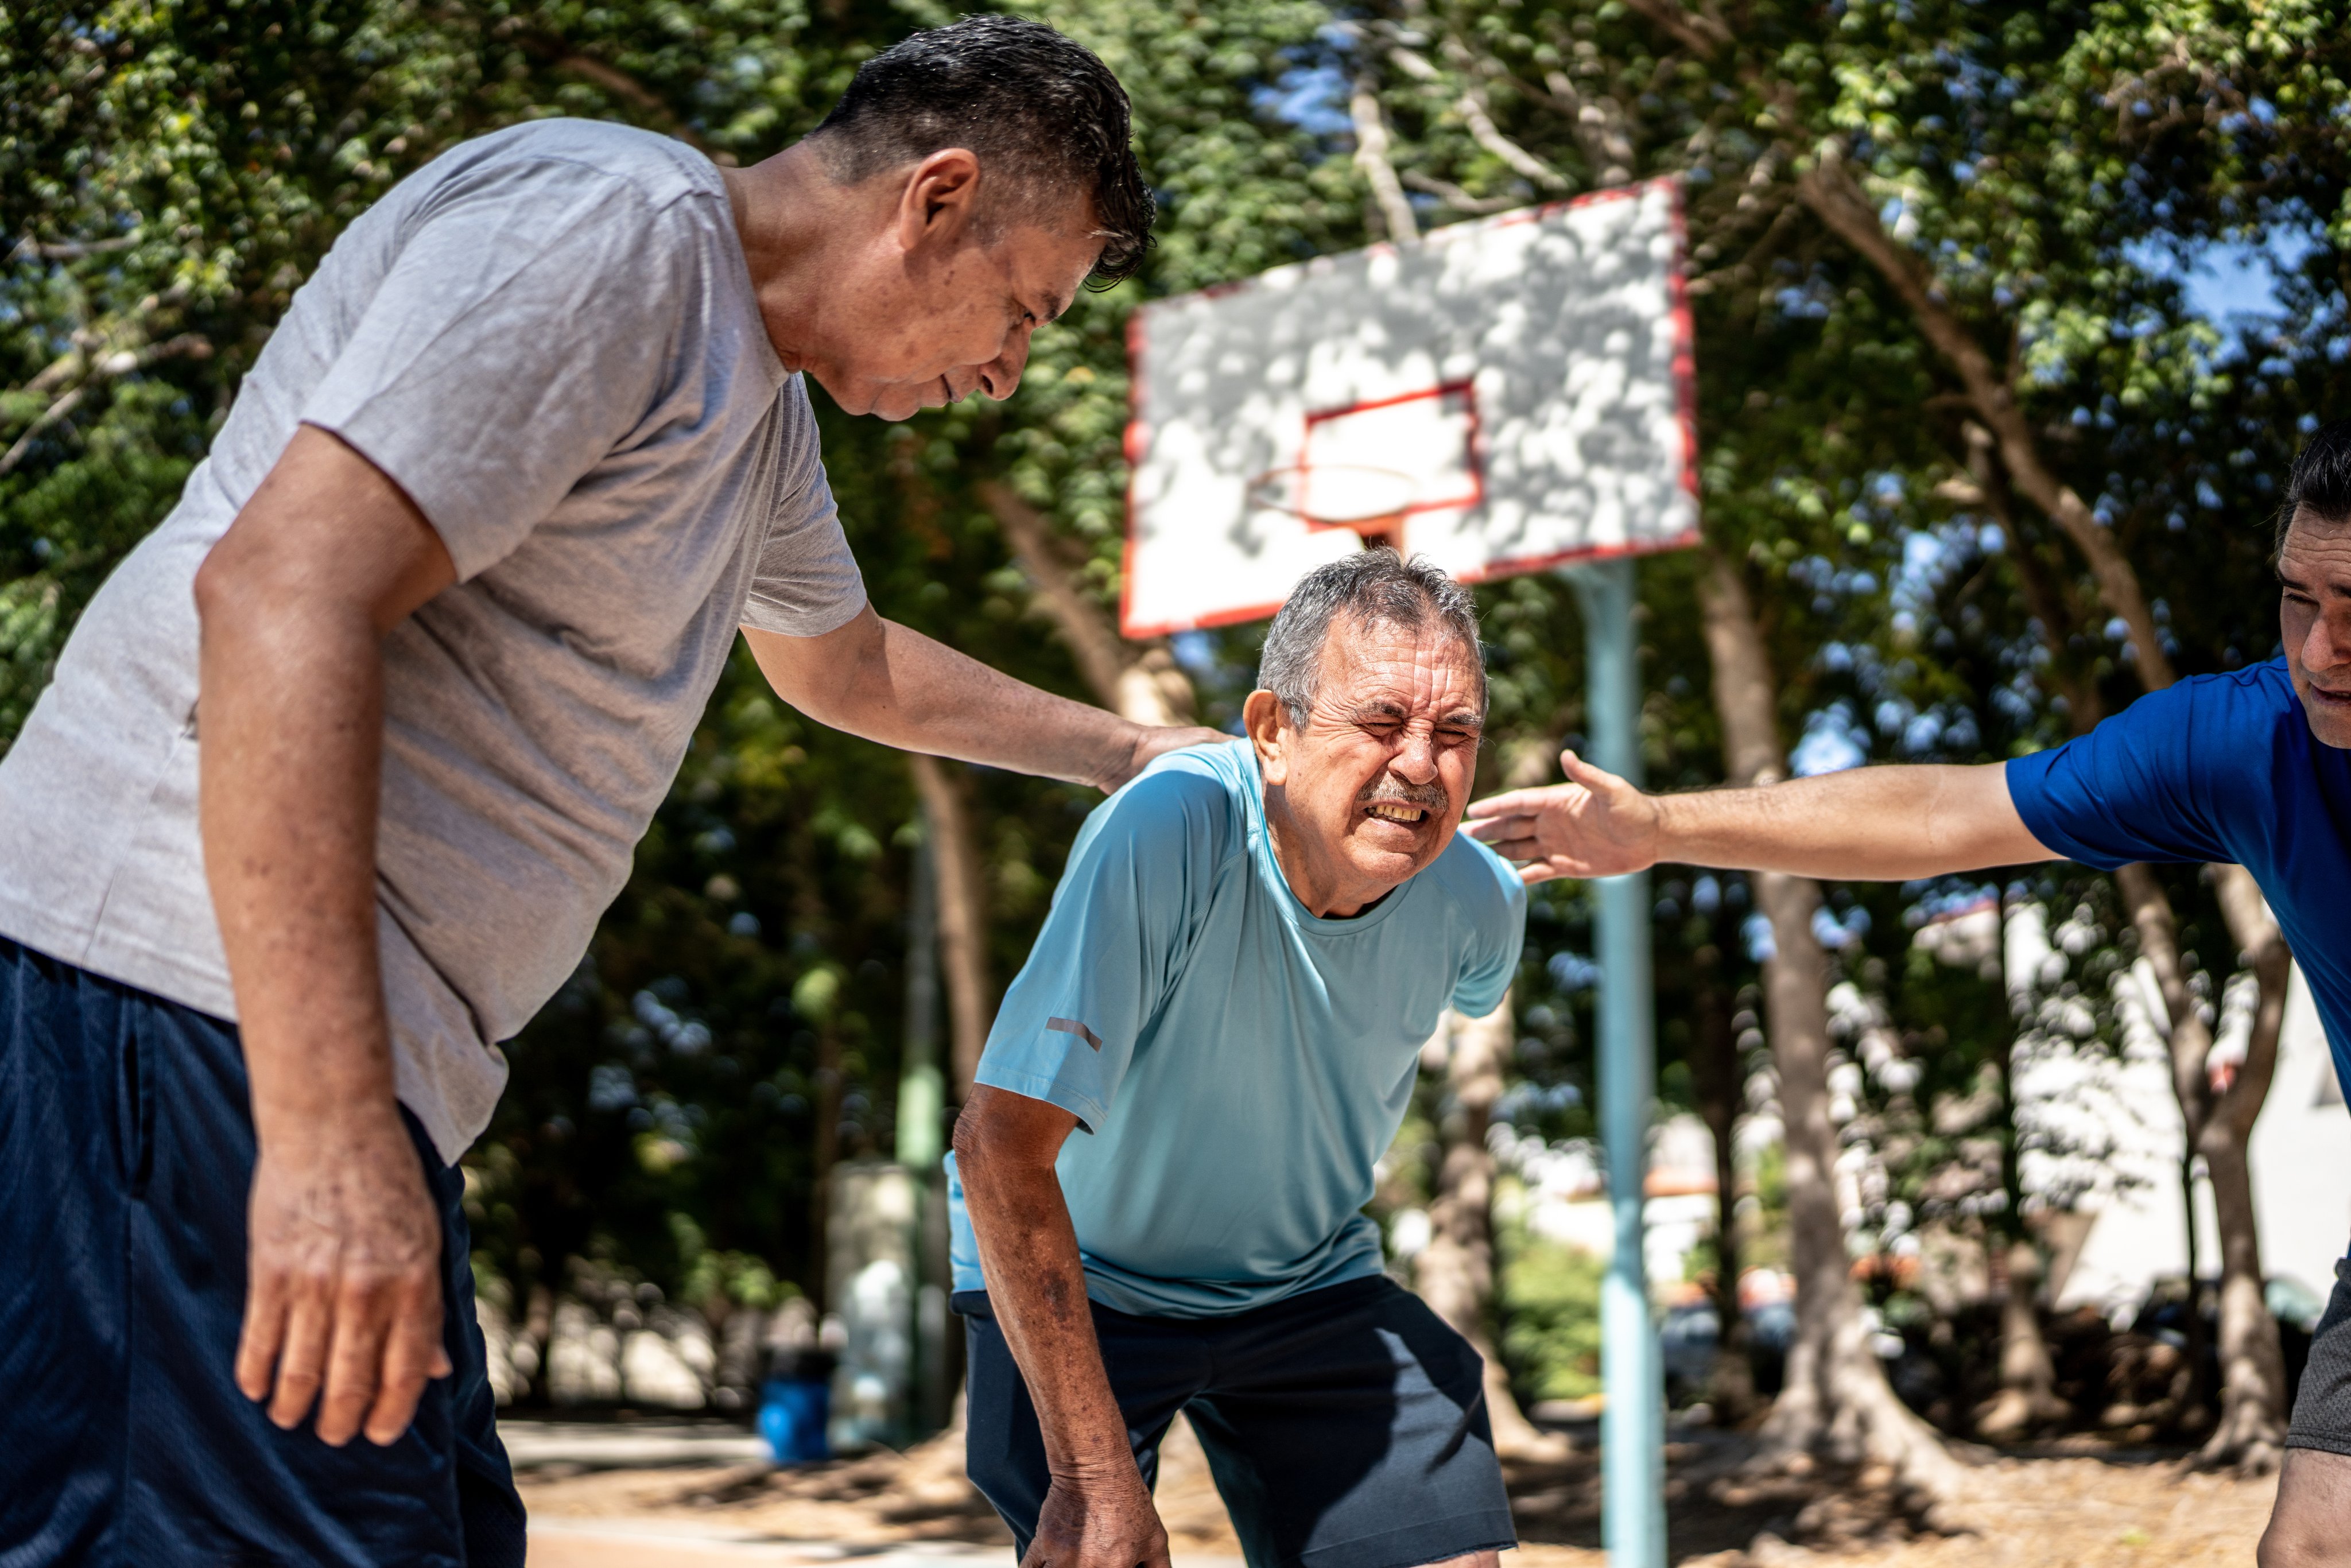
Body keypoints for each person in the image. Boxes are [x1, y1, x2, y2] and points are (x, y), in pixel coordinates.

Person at [0, 18, 1220, 1566]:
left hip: (327, 1054)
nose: (1003, 373)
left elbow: (839, 663)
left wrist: (1135, 751)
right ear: (936, 199)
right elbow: (283, 593)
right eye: (1022, 309)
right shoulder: (616, 230)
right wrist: (318, 1143)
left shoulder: (756, 403)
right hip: (181, 1001)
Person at [1460, 420, 2351, 1566]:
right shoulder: (2244, 739)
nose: (2321, 648)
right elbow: (1942, 814)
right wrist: (1660, 830)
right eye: (2297, 598)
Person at [949, 550, 1527, 1568]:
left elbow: (1473, 986)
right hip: (1085, 1281)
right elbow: (999, 1147)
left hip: (1304, 1285)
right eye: (1383, 722)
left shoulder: (1478, 902)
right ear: (1273, 731)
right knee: (1102, 1549)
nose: (1422, 766)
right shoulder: (1173, 826)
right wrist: (1092, 1484)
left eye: (1456, 733)